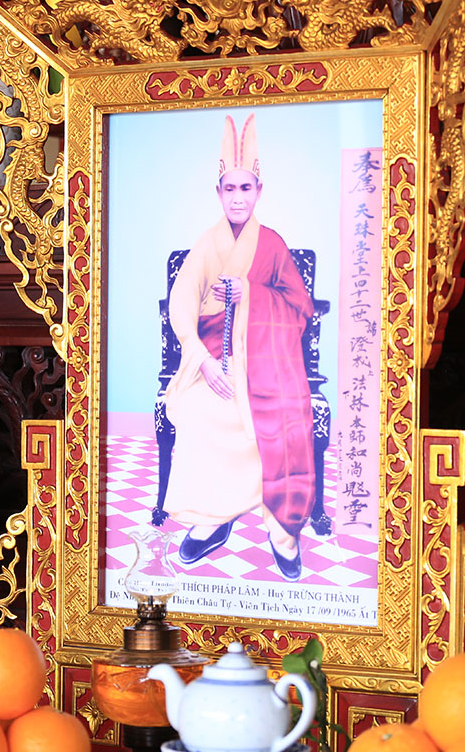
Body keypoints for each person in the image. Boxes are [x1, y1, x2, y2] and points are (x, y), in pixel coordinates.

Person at [162, 113, 316, 582]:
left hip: (267, 362)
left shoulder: (272, 244)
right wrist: (202, 360)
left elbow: (300, 307)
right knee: (200, 410)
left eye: (245, 188)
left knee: (281, 419)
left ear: (258, 191)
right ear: (218, 193)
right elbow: (182, 301)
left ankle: (281, 532)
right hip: (214, 359)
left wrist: (250, 294)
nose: (237, 197)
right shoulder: (206, 244)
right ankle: (213, 519)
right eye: (229, 188)